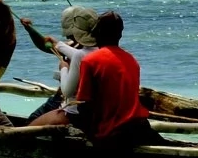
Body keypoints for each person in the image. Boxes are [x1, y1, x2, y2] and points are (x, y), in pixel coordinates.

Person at [26, 10, 167, 145]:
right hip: (136, 123)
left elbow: (83, 105)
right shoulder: (131, 59)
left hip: (106, 126)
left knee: (28, 130)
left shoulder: (91, 61)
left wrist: (63, 68)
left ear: (98, 32)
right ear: (120, 35)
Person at [18, 5, 96, 120]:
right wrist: (31, 30)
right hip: (58, 98)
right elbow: (46, 46)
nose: (70, 37)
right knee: (33, 118)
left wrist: (63, 68)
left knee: (33, 121)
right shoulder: (74, 45)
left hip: (70, 103)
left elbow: (68, 91)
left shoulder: (88, 51)